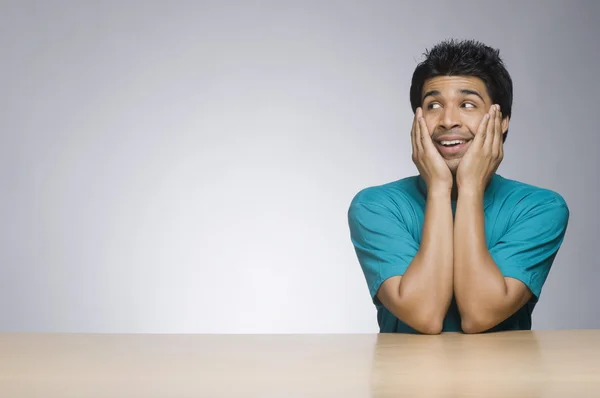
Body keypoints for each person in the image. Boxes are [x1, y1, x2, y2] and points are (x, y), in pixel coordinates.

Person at [347, 39, 570, 334]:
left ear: (502, 121)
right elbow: (424, 314)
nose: (448, 120)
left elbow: (479, 314)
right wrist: (440, 187)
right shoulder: (376, 206)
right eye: (433, 105)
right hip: (406, 378)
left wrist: (470, 188)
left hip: (504, 379)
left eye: (467, 104)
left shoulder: (538, 208)